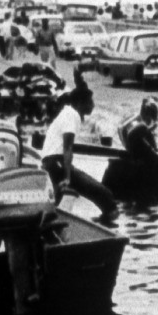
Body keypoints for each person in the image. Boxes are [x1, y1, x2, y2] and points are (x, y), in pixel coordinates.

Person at [41, 83, 119, 223]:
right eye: (90, 102)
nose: (93, 105)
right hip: (56, 163)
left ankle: (50, 223)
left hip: (51, 162)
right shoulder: (72, 115)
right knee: (104, 195)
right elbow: (67, 148)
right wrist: (67, 177)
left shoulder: (67, 113)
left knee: (57, 198)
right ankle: (105, 228)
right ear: (80, 103)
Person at [119, 98, 158, 164]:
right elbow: (148, 146)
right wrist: (156, 154)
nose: (152, 122)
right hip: (136, 156)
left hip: (129, 147)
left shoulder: (135, 118)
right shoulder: (142, 127)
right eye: (152, 120)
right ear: (149, 117)